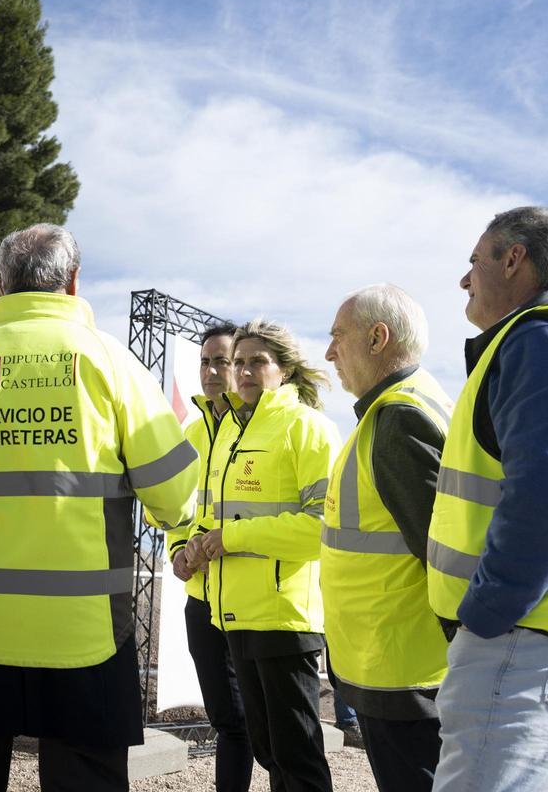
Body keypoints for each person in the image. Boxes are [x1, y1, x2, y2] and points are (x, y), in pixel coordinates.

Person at [0, 223, 202, 792]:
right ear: (73, 283)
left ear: (0, 284)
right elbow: (173, 495)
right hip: (82, 634)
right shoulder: (112, 364)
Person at [428, 207, 548, 791]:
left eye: (474, 260)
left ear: (512, 259)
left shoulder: (539, 342)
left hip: (524, 648)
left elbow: (545, 496)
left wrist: (486, 615)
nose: (465, 278)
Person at [193, 319, 340, 792]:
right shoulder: (235, 433)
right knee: (270, 753)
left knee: (297, 759)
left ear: (286, 369)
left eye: (257, 361)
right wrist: (193, 544)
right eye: (238, 363)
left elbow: (323, 527)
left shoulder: (308, 427)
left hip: (285, 619)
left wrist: (232, 538)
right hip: (237, 615)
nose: (244, 372)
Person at [322, 284, 453, 792]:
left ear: (378, 338)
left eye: (338, 337)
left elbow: (442, 555)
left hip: (403, 674)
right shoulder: (407, 405)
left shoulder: (397, 419)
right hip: (397, 666)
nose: (330, 352)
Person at [165, 322, 255, 792]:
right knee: (228, 721)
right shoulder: (191, 429)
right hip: (201, 597)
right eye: (205, 361)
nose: (212, 371)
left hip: (255, 600)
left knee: (269, 728)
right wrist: (180, 550)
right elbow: (180, 511)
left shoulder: (264, 422)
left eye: (222, 360)